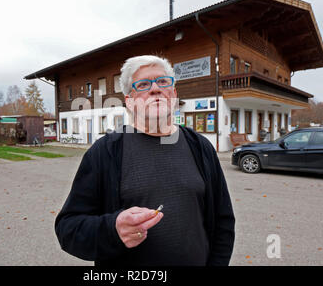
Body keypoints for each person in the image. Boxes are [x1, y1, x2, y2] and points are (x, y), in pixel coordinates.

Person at [55, 55, 235, 266]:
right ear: (130, 101)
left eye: (163, 82)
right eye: (142, 85)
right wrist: (112, 229)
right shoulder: (105, 152)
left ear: (174, 94)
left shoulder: (200, 147)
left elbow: (223, 221)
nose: (155, 89)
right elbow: (68, 228)